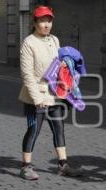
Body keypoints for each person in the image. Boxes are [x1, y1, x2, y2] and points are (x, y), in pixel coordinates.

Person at [19, 6, 82, 180]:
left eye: (49, 20)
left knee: (59, 128)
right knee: (34, 130)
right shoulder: (28, 42)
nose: (46, 24)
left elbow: (57, 62)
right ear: (35, 22)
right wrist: (37, 99)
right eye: (42, 20)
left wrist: (63, 64)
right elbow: (27, 75)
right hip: (35, 96)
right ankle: (25, 166)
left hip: (55, 93)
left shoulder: (54, 40)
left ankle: (63, 165)